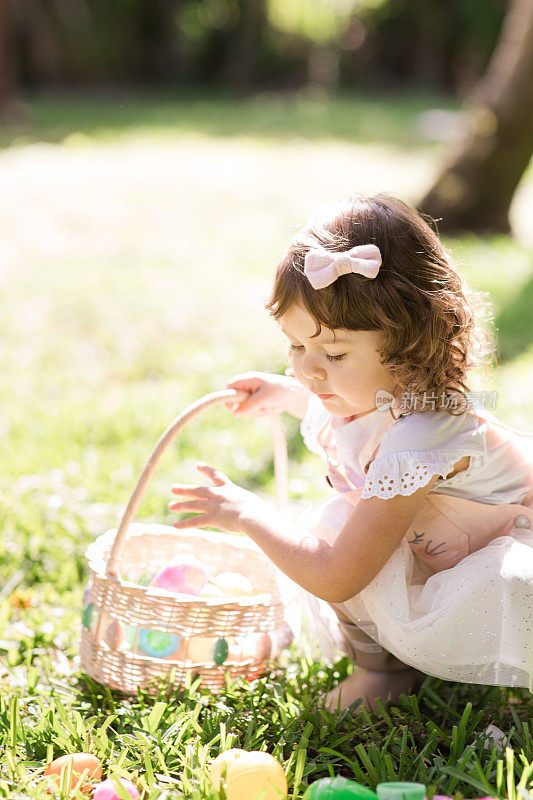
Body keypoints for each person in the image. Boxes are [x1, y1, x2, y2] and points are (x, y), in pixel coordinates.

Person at [169, 194, 533, 712]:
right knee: (348, 520)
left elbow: (340, 573)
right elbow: (356, 416)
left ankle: (380, 674)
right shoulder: (380, 393)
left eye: (334, 353)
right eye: (297, 347)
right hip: (447, 544)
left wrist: (248, 514)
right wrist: (289, 394)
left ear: (410, 340)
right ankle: (392, 667)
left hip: (500, 552)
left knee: (339, 532)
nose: (309, 371)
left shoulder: (420, 437)